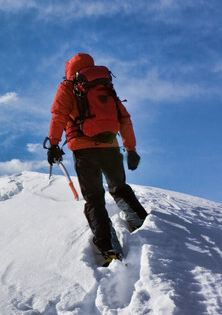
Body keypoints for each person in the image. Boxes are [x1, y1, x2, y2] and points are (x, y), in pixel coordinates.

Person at [46, 52, 148, 263]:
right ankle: (143, 226)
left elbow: (59, 115)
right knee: (119, 187)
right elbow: (124, 118)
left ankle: (109, 249)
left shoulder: (68, 86)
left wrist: (54, 144)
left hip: (84, 150)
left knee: (94, 198)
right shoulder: (105, 85)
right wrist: (131, 149)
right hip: (110, 147)